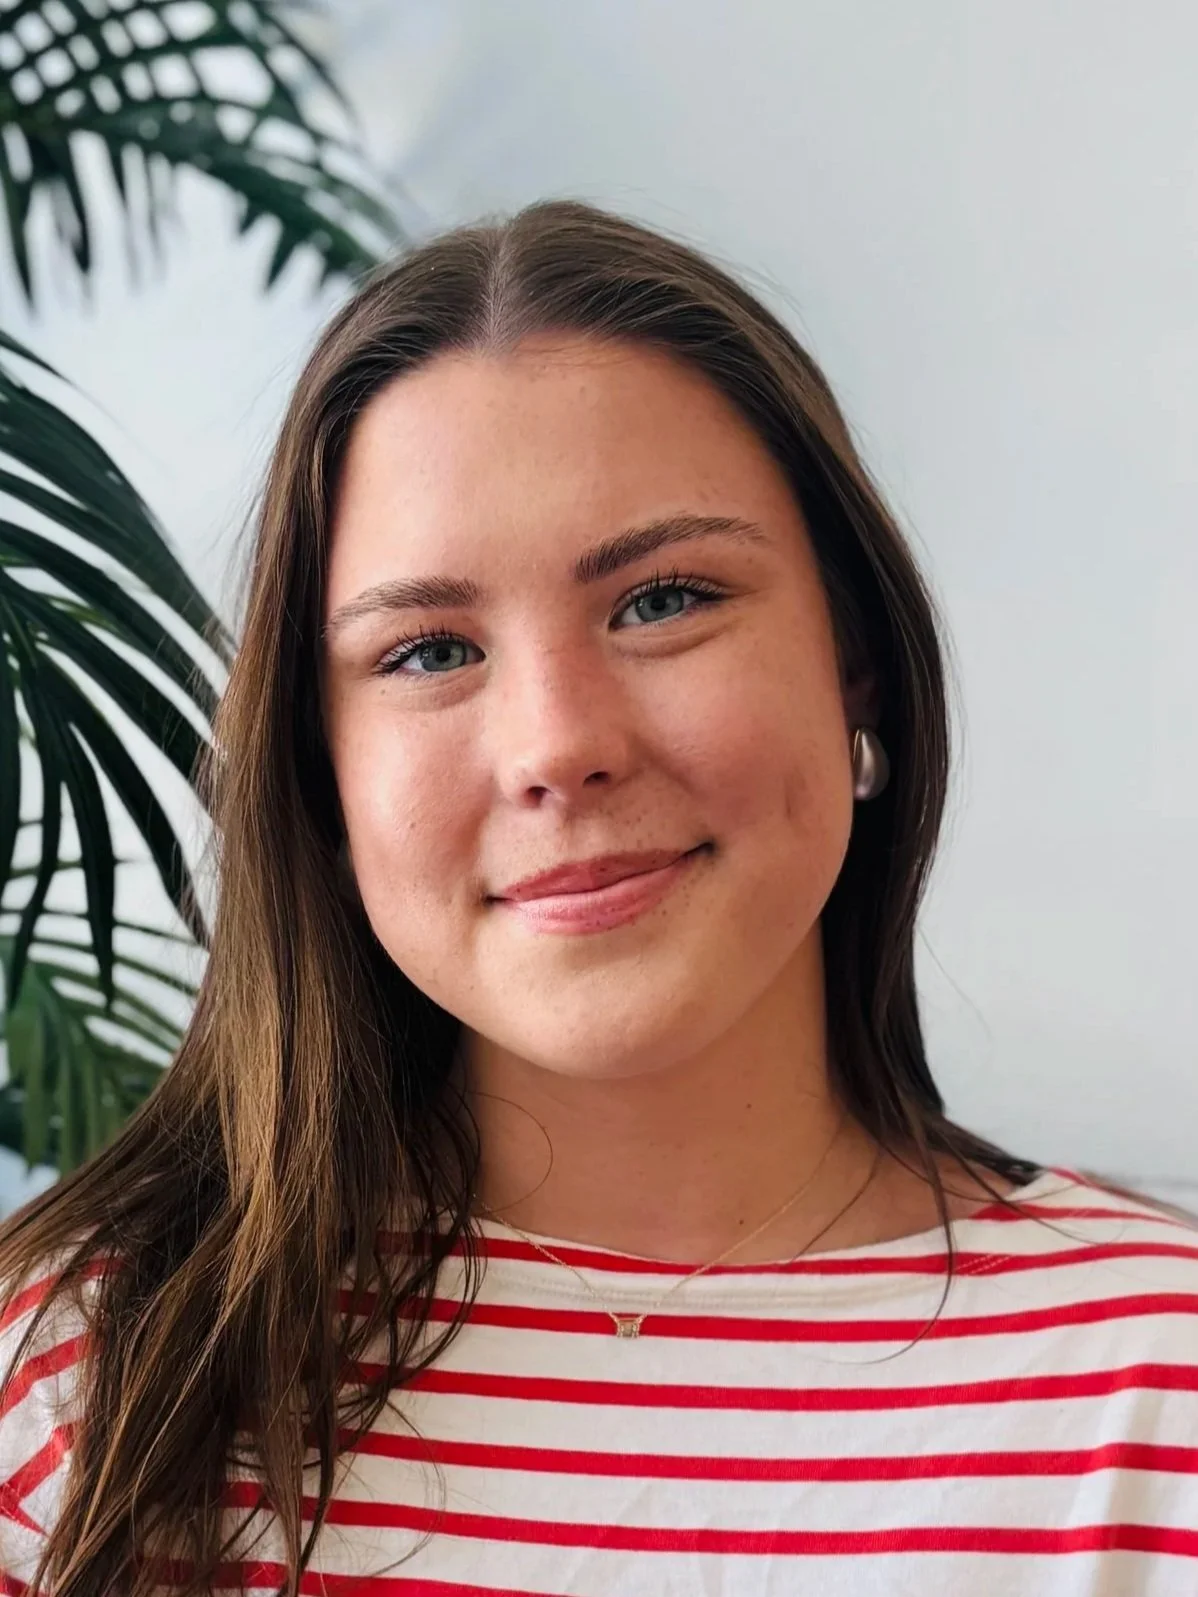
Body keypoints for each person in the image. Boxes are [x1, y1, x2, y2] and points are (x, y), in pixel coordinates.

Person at [0, 198, 1195, 1597]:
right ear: (319, 774)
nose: (557, 745)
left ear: (854, 663)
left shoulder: (1155, 1386)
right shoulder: (77, 1386)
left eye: (663, 600)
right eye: (428, 651)